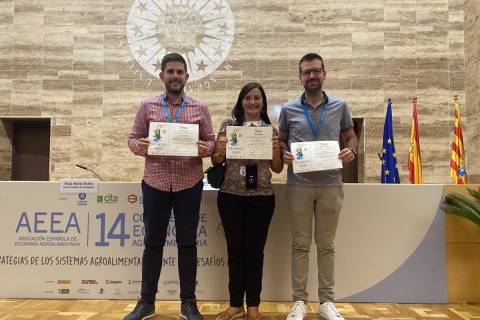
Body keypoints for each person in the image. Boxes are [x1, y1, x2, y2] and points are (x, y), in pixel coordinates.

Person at [125, 53, 215, 320]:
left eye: (180, 72)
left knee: (188, 244)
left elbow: (210, 141)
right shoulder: (147, 106)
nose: (175, 76)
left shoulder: (200, 108)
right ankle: (146, 303)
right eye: (170, 72)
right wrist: (138, 147)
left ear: (187, 77)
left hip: (189, 184)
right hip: (155, 183)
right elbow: (132, 138)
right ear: (162, 75)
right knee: (153, 243)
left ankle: (188, 303)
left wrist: (204, 149)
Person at [278, 53, 358, 320]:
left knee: (327, 245)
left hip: (331, 185)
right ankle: (299, 301)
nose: (311, 76)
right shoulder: (289, 109)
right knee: (300, 244)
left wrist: (351, 151)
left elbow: (351, 136)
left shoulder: (340, 106)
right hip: (298, 185)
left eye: (316, 71)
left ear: (324, 73)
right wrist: (283, 153)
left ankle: (327, 302)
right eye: (306, 72)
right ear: (300, 77)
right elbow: (281, 142)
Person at [211, 82, 283, 320]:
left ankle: (253, 305)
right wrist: (219, 150)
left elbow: (277, 167)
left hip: (261, 198)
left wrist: (274, 149)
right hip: (230, 197)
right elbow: (216, 160)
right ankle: (235, 305)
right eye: (248, 98)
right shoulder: (228, 126)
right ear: (241, 101)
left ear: (263, 103)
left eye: (257, 98)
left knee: (255, 252)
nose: (252, 102)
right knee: (235, 251)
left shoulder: (271, 131)